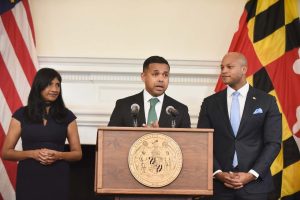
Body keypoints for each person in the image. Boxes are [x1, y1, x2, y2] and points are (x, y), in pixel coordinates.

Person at [197, 52, 282, 200]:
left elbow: (273, 143)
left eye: (229, 67)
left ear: (244, 69)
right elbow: (203, 143)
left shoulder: (267, 101)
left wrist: (251, 175)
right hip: (218, 187)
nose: (223, 71)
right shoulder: (210, 103)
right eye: (222, 67)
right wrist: (218, 173)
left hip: (256, 187)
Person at [1, 68, 82, 200]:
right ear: (39, 86)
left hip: (58, 177)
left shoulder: (67, 116)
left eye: (58, 85)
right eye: (50, 84)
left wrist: (59, 155)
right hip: (29, 177)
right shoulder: (21, 115)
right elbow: (6, 152)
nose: (55, 89)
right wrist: (32, 154)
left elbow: (77, 154)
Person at [108, 55, 191, 128]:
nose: (161, 79)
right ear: (143, 77)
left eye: (165, 75)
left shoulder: (180, 110)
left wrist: (160, 135)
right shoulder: (123, 106)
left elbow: (188, 143)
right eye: (155, 74)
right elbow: (110, 139)